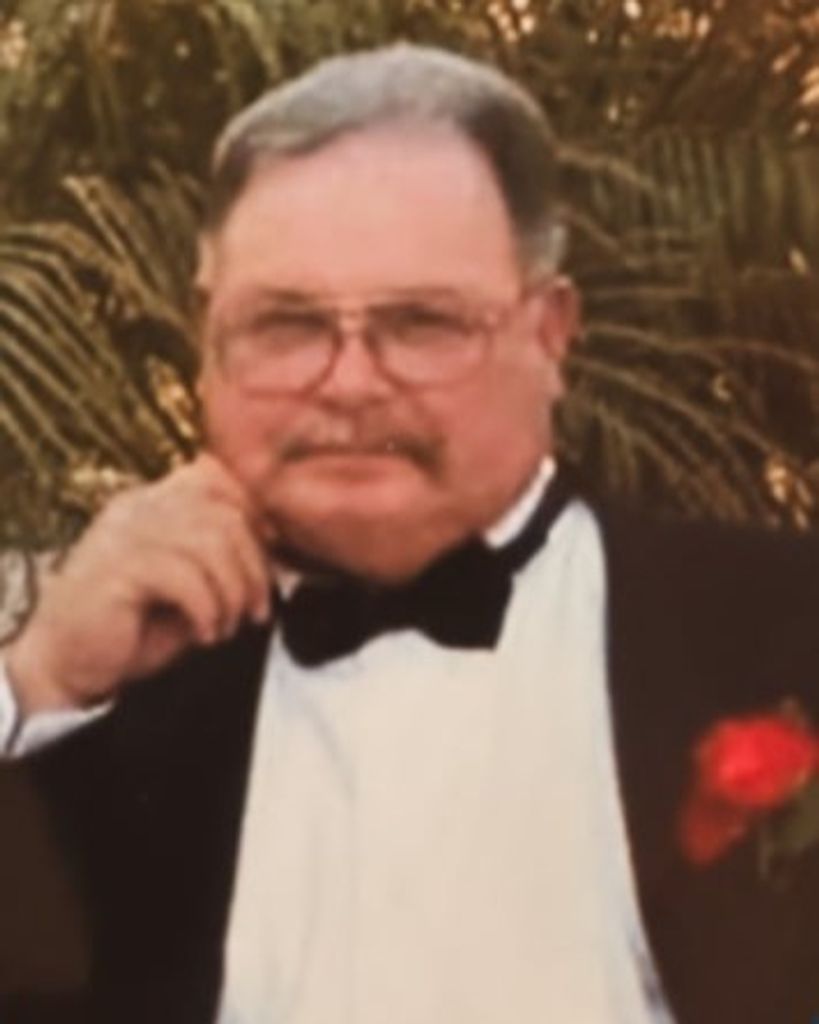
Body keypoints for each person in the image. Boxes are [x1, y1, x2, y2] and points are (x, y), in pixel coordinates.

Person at [1, 43, 818, 1024]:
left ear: (549, 334)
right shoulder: (101, 700)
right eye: (287, 324)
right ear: (207, 341)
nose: (349, 383)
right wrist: (32, 684)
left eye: (423, 323)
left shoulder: (782, 629)